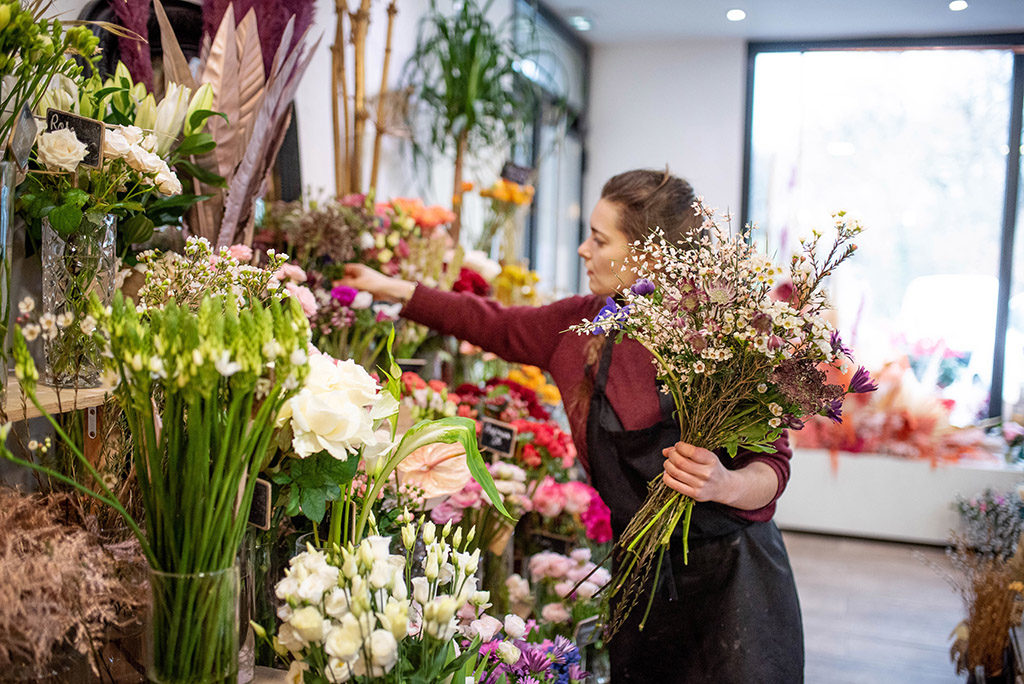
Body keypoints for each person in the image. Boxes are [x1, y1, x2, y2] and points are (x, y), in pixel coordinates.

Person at [339, 168, 804, 682]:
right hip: (643, 582)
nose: (584, 249)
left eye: (599, 239)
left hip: (735, 585)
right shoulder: (581, 328)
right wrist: (389, 286)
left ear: (648, 255)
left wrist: (726, 482)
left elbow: (772, 466)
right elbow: (488, 322)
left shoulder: (719, 339)